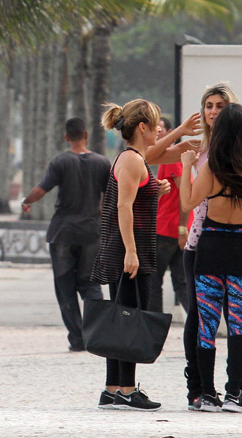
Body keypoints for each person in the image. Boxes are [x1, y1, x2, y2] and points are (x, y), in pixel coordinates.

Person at [179, 103, 242, 412]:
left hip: (210, 250)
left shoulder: (212, 168)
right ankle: (235, 392)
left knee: (207, 324)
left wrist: (185, 166)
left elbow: (188, 202)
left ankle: (207, 394)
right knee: (239, 324)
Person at [90, 100, 170, 411]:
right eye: (157, 124)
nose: (160, 129)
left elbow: (135, 199)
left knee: (119, 317)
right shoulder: (133, 160)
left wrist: (156, 190)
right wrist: (132, 252)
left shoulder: (133, 159)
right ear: (142, 128)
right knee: (130, 318)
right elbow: (124, 207)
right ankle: (126, 388)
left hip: (121, 248)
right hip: (127, 251)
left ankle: (112, 388)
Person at [19, 118, 110, 351]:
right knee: (91, 284)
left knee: (65, 286)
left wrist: (27, 201)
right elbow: (109, 196)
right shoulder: (102, 163)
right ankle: (97, 336)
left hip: (63, 232)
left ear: (66, 137)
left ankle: (77, 339)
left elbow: (42, 188)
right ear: (86, 135)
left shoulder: (60, 162)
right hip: (91, 232)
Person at [147, 117, 192, 314]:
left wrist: (182, 229)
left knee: (153, 280)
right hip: (176, 228)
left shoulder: (172, 159)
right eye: (154, 130)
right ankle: (199, 325)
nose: (157, 133)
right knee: (181, 282)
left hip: (168, 228)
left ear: (170, 132)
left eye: (161, 130)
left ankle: (155, 329)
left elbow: (185, 194)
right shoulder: (173, 158)